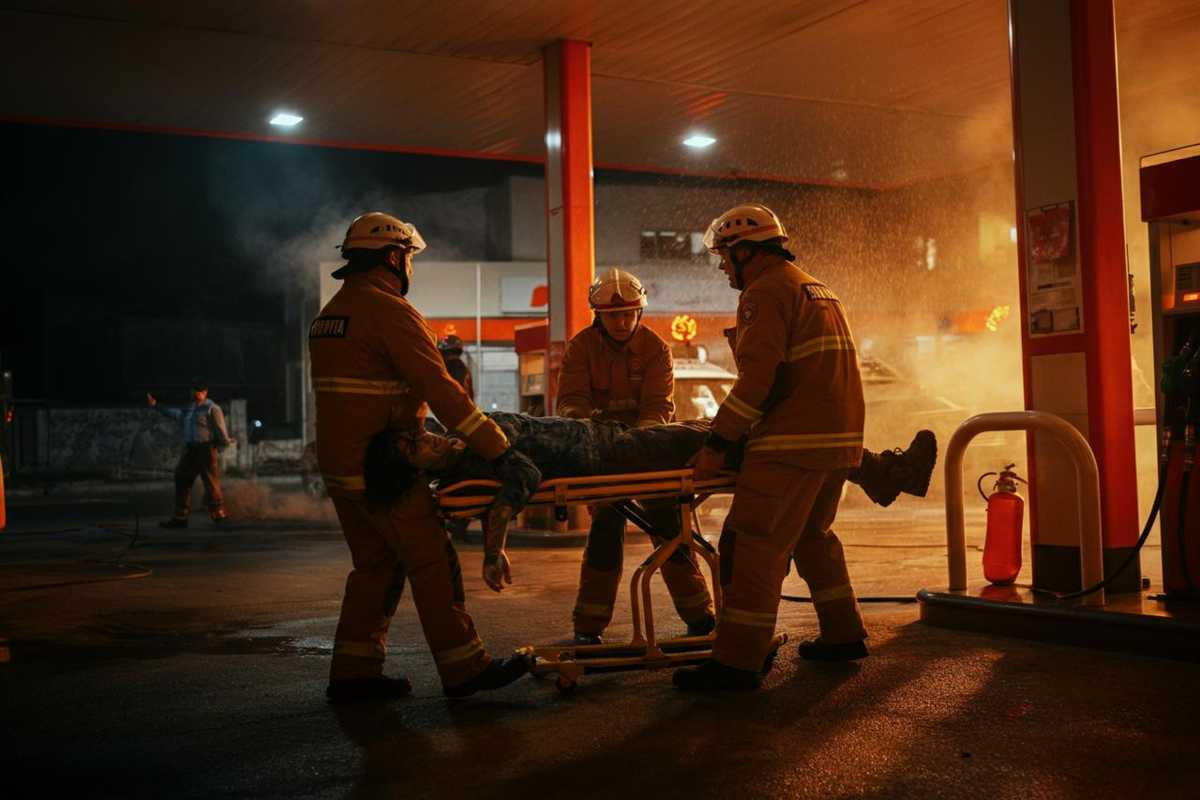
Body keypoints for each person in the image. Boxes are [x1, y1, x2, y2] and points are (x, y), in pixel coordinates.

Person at [309, 211, 533, 703]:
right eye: (409, 257)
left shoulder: (330, 316)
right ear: (394, 257)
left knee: (374, 568)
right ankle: (465, 669)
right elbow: (442, 391)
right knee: (433, 562)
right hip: (386, 467)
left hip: (342, 468)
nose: (409, 266)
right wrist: (499, 450)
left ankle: (353, 674)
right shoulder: (388, 310)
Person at [363, 413, 937, 595]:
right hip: (621, 455)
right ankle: (884, 473)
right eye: (415, 446)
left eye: (420, 432)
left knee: (773, 437)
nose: (429, 439)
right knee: (772, 435)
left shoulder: (462, 434)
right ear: (414, 467)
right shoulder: (473, 460)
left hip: (623, 440)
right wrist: (495, 544)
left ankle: (882, 474)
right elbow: (524, 474)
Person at [675, 203, 870, 692]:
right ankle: (843, 634)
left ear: (746, 251)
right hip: (836, 442)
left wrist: (718, 443)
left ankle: (738, 662)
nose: (722, 266)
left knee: (751, 545)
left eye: (725, 256)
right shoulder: (816, 288)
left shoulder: (765, 293)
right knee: (812, 537)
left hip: (790, 443)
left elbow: (758, 378)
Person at [556, 268, 715, 646]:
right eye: (614, 315)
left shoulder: (656, 349)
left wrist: (639, 445)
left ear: (639, 312)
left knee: (668, 528)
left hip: (650, 452)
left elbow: (659, 406)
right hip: (602, 453)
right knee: (606, 529)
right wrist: (601, 440)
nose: (622, 321)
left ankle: (699, 614)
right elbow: (571, 405)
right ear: (598, 315)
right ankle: (588, 626)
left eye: (629, 314)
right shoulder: (580, 349)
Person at [148, 378, 231, 528]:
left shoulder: (212, 408)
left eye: (200, 391)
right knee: (181, 478)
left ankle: (219, 515)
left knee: (210, 482)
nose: (197, 393)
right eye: (195, 390)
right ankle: (180, 517)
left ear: (205, 392)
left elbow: (220, 428)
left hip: (206, 448)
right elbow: (175, 414)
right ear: (191, 391)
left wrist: (221, 444)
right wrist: (156, 406)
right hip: (191, 449)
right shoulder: (189, 408)